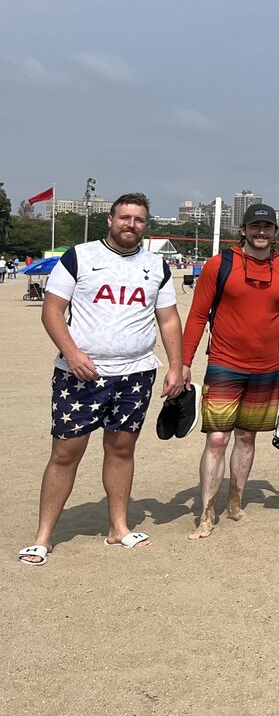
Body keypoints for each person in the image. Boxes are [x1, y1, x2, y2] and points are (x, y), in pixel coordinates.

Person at [21, 194, 185, 564]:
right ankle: (43, 537)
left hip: (136, 372)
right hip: (80, 373)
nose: (131, 224)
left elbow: (169, 319)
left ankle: (118, 527)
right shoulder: (79, 257)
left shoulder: (155, 266)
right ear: (110, 220)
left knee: (122, 450)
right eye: (124, 217)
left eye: (139, 220)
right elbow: (52, 311)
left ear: (146, 225)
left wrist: (177, 365)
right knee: (65, 453)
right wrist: (72, 352)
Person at [180, 202, 279, 538]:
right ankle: (206, 512)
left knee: (248, 437)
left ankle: (235, 501)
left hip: (266, 368)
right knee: (218, 439)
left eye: (267, 227)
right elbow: (196, 316)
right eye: (255, 227)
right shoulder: (218, 265)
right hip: (224, 363)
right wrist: (183, 364)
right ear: (243, 230)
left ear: (275, 232)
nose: (261, 232)